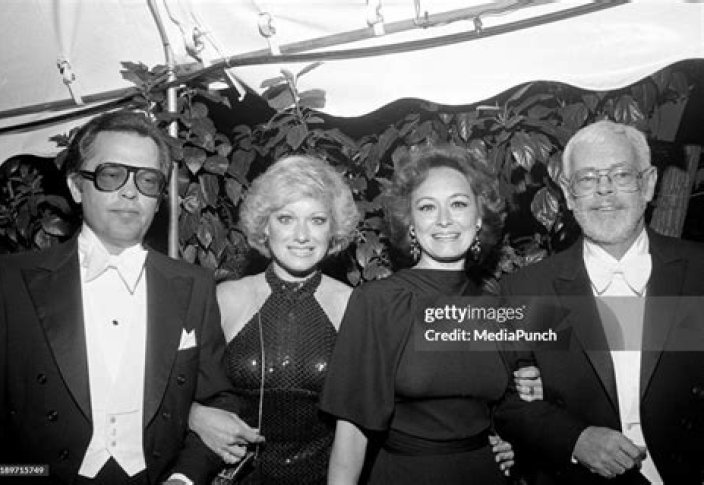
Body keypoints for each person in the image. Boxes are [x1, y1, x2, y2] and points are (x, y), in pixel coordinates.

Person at [0, 110, 236, 484]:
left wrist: (184, 478)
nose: (130, 192)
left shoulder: (194, 284)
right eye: (111, 175)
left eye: (147, 180)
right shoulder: (13, 279)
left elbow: (218, 399)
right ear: (76, 187)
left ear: (159, 199)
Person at [496, 120, 704, 484]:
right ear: (567, 193)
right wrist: (574, 439)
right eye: (587, 178)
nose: (604, 190)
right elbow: (505, 401)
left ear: (648, 183)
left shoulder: (699, 271)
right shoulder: (528, 290)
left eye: (621, 174)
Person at [321, 145, 516, 484]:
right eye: (427, 207)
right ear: (410, 224)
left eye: (458, 204)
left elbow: (509, 406)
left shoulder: (495, 303)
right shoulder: (379, 302)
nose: (444, 220)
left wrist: (512, 442)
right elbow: (351, 436)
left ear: (479, 217)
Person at [187, 155, 359, 484]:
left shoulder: (353, 306)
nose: (302, 235)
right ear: (265, 226)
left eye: (317, 220)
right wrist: (193, 416)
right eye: (286, 218)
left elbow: (364, 419)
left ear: (333, 229)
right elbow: (166, 389)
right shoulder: (226, 299)